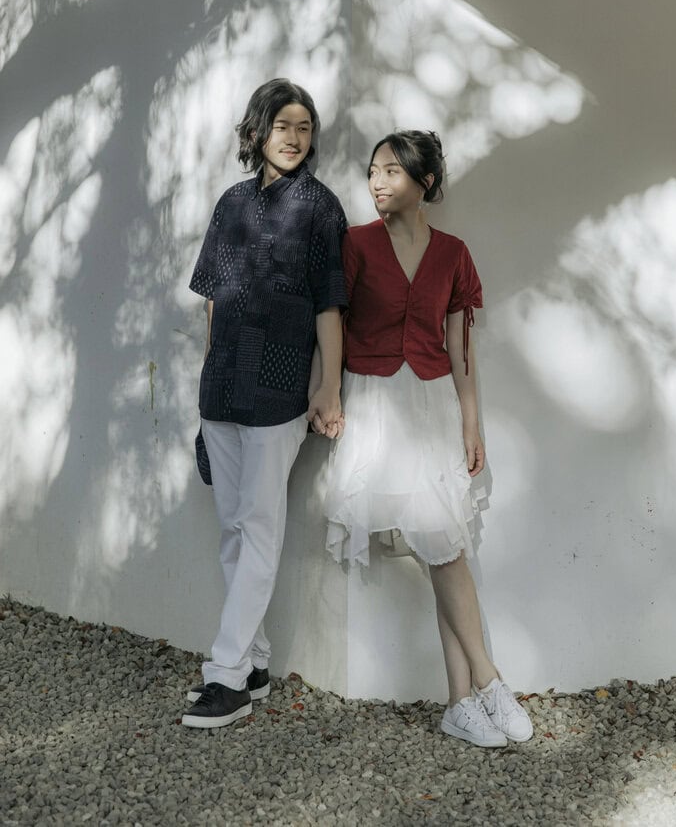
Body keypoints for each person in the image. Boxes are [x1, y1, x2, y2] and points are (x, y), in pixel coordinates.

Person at [323, 130, 533, 748]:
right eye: (373, 170)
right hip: (377, 406)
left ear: (426, 182)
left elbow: (461, 345)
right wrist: (327, 391)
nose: (377, 181)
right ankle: (488, 680)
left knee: (444, 546)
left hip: (433, 406)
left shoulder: (453, 254)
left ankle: (459, 702)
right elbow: (330, 319)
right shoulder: (355, 244)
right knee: (443, 545)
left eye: (392, 170)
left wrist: (471, 421)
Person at [183, 79, 347, 729]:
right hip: (222, 386)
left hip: (279, 389)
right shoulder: (231, 203)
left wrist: (327, 386)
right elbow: (214, 302)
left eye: (304, 127)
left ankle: (224, 676)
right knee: (232, 526)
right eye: (284, 125)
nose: (295, 137)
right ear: (258, 130)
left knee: (258, 526)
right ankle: (252, 663)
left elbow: (329, 305)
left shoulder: (320, 208)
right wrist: (206, 380)